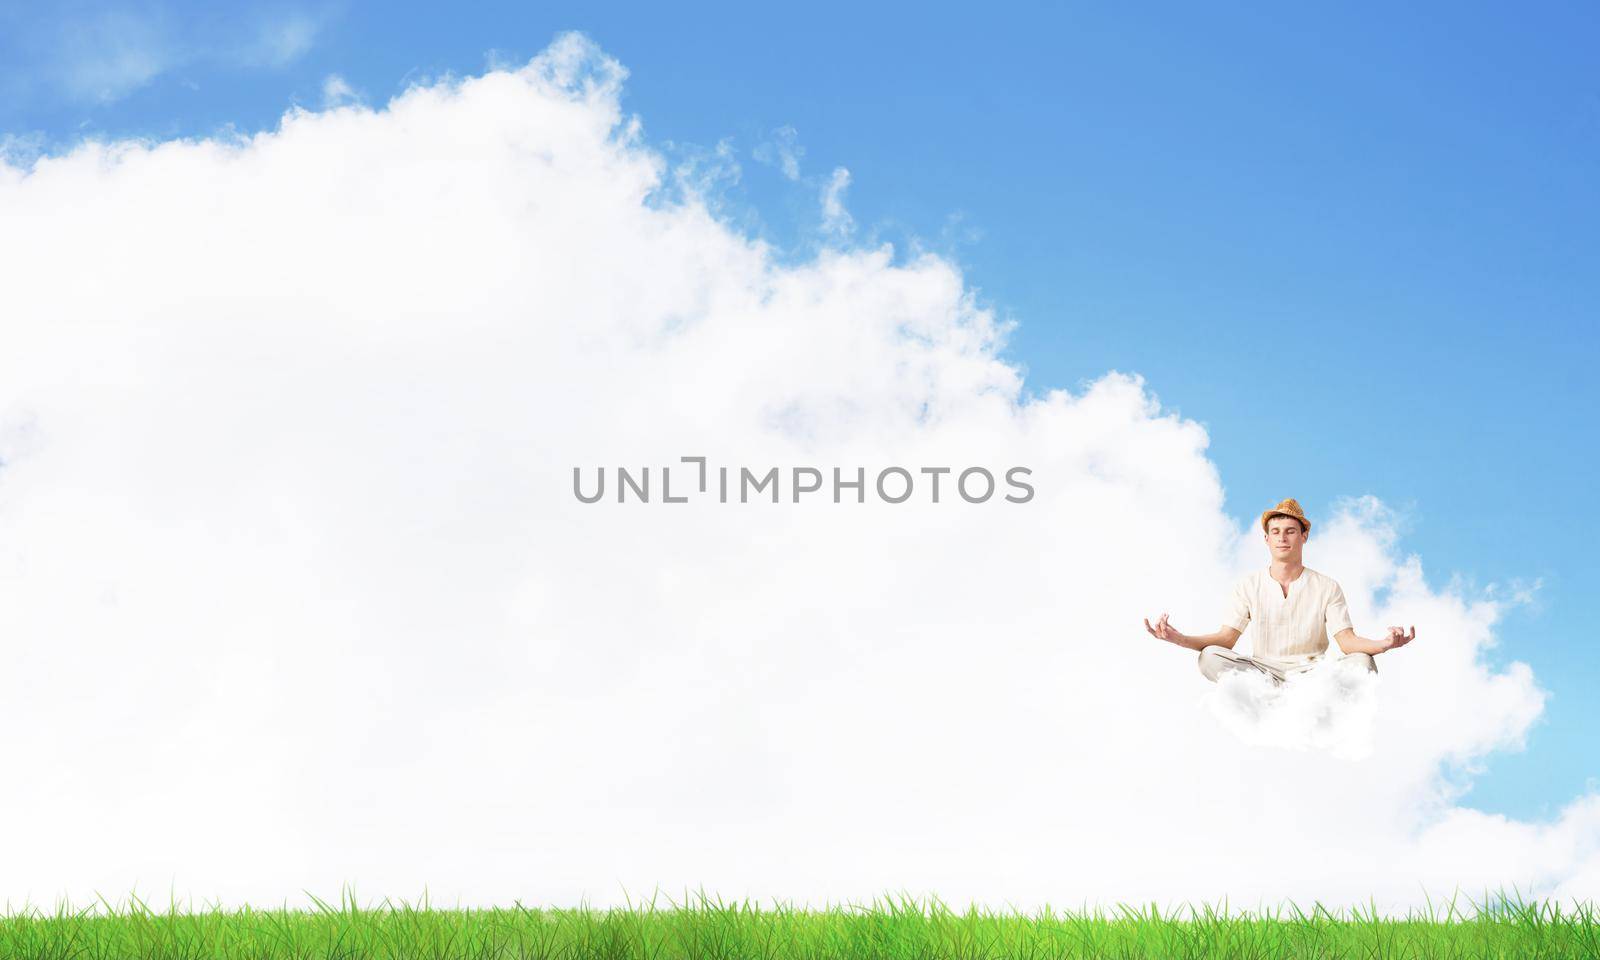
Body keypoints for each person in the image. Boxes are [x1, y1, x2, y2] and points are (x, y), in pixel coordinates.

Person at [1144, 498, 1416, 686]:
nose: (1282, 538)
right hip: (1263, 673)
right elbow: (1226, 640)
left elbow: (1347, 642)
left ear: (1304, 536)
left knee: (1363, 664)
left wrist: (1385, 644)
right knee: (1209, 657)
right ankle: (1270, 702)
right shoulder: (1248, 586)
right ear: (1267, 539)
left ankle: (1314, 705)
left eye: (1290, 531)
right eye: (1275, 532)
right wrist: (1179, 639)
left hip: (1313, 675)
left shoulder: (1327, 586)